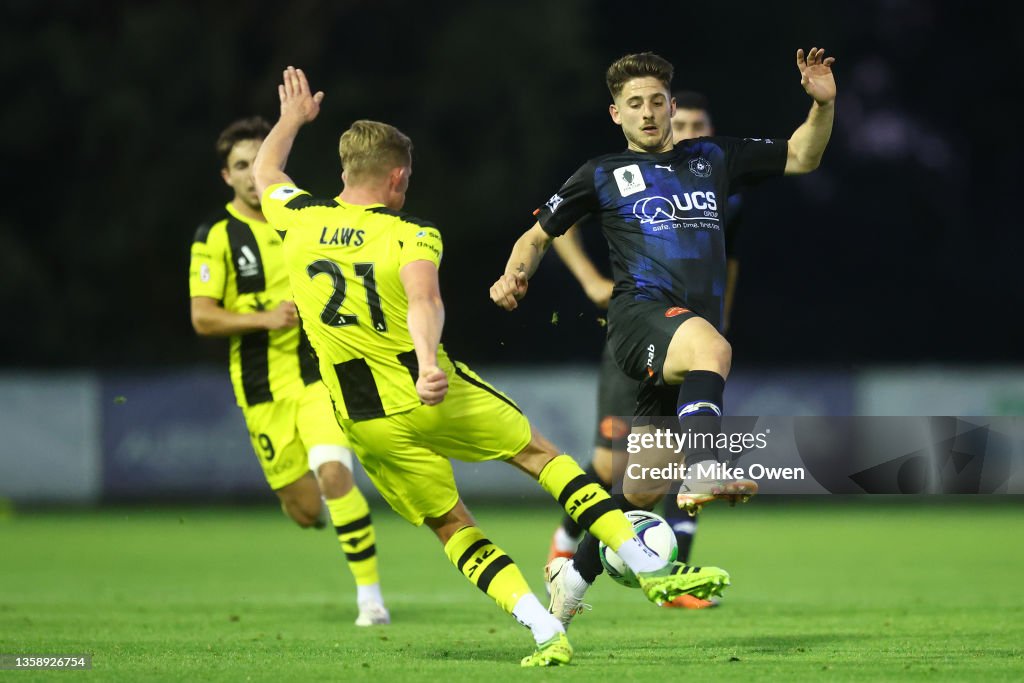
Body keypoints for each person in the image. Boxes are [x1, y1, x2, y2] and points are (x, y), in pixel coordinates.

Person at [252, 66, 732, 667]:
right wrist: (429, 363)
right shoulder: (411, 233)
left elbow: (266, 171)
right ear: (398, 177)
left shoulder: (298, 218)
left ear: (345, 172)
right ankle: (644, 564)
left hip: (362, 418)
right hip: (427, 388)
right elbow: (425, 301)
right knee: (540, 457)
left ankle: (543, 631)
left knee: (452, 525)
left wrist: (290, 120)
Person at [491, 48, 836, 625]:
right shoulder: (601, 173)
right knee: (714, 348)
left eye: (656, 102)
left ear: (672, 106)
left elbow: (803, 154)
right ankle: (704, 466)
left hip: (679, 341)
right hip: (639, 318)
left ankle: (570, 579)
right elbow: (538, 234)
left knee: (643, 490)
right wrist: (513, 275)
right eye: (635, 105)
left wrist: (821, 104)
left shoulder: (712, 159)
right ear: (615, 114)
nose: (648, 113)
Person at [545, 90, 748, 609]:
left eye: (702, 123)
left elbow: (728, 262)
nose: (692, 130)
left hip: (689, 335)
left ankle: (570, 581)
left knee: (643, 486)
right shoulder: (619, 175)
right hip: (638, 336)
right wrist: (591, 280)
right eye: (684, 121)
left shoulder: (715, 187)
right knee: (609, 465)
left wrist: (717, 324)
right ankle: (565, 542)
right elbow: (550, 223)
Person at [188, 116, 389, 626]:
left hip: (315, 376)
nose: (251, 174)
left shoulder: (301, 217)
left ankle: (371, 600)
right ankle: (314, 513)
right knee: (305, 509)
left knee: (335, 474)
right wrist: (264, 317)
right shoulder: (215, 236)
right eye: (240, 166)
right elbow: (202, 316)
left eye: (257, 164)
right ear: (226, 176)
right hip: (260, 389)